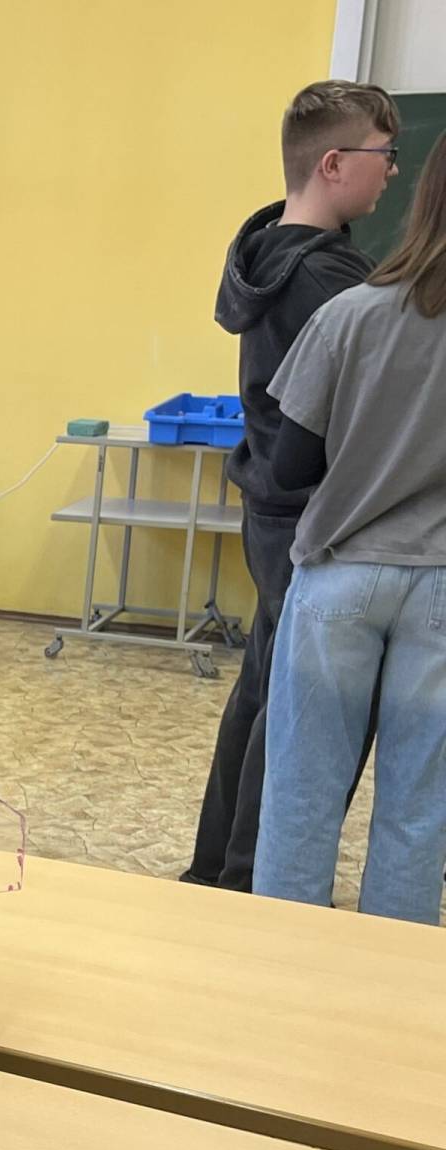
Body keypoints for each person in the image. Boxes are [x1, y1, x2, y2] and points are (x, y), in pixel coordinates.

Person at [185, 80, 400, 892]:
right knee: (306, 718)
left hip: (275, 507)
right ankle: (249, 882)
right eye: (383, 155)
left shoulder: (272, 252)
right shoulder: (328, 282)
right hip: (315, 514)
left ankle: (220, 872)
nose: (393, 171)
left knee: (265, 695)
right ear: (334, 163)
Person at [255, 133, 446, 925]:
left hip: (341, 574)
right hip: (441, 587)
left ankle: (284, 962)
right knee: (421, 807)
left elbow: (288, 467)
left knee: (302, 792)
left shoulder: (351, 314)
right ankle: (389, 976)